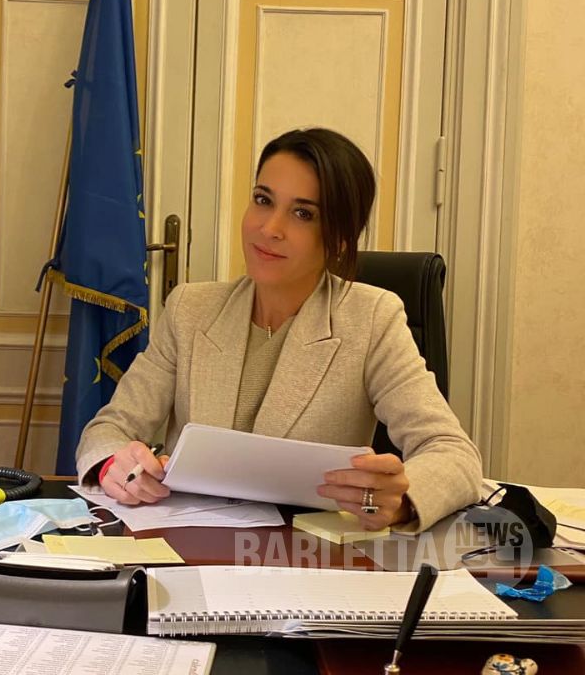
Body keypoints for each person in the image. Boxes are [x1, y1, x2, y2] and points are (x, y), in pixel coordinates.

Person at [76, 127, 482, 531]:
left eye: (303, 213)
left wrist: (402, 501)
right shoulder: (190, 309)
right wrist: (115, 465)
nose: (270, 228)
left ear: (340, 238)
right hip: (189, 545)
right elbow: (109, 429)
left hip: (303, 553)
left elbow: (453, 453)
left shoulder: (372, 318)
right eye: (263, 200)